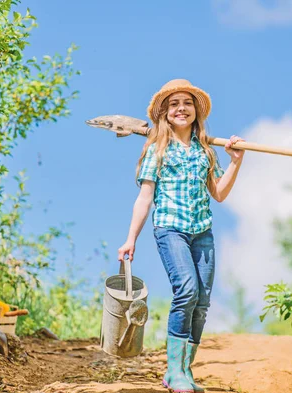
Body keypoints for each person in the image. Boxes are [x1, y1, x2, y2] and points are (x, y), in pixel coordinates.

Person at [118, 79, 244, 393]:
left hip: (202, 231)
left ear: (195, 111)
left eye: (187, 103)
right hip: (170, 228)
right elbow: (145, 198)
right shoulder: (156, 149)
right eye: (174, 104)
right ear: (164, 112)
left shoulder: (206, 151)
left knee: (201, 302)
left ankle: (185, 370)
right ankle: (174, 371)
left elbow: (219, 193)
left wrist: (236, 162)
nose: (181, 109)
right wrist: (131, 238)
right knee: (187, 289)